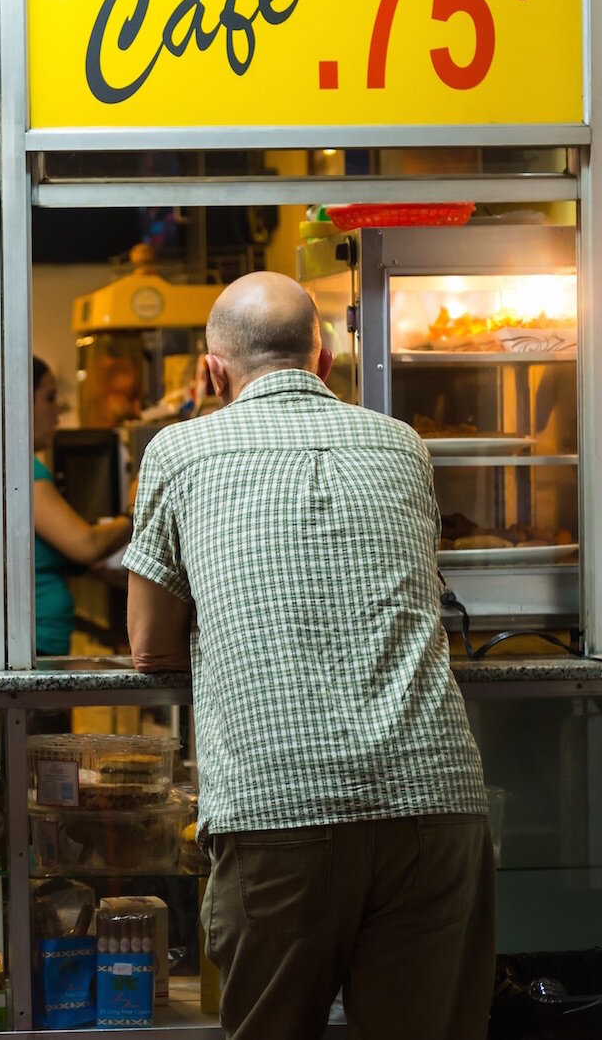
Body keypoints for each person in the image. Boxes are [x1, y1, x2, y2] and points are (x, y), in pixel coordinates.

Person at [124, 271, 493, 1040]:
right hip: (433, 799)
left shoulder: (180, 450)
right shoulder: (402, 444)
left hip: (276, 810)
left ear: (212, 368)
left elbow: (150, 645)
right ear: (323, 362)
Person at [0, 357, 131, 656]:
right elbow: (86, 544)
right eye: (49, 398)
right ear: (21, 404)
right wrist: (136, 511)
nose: (58, 411)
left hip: (24, 643)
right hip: (25, 647)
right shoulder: (18, 473)